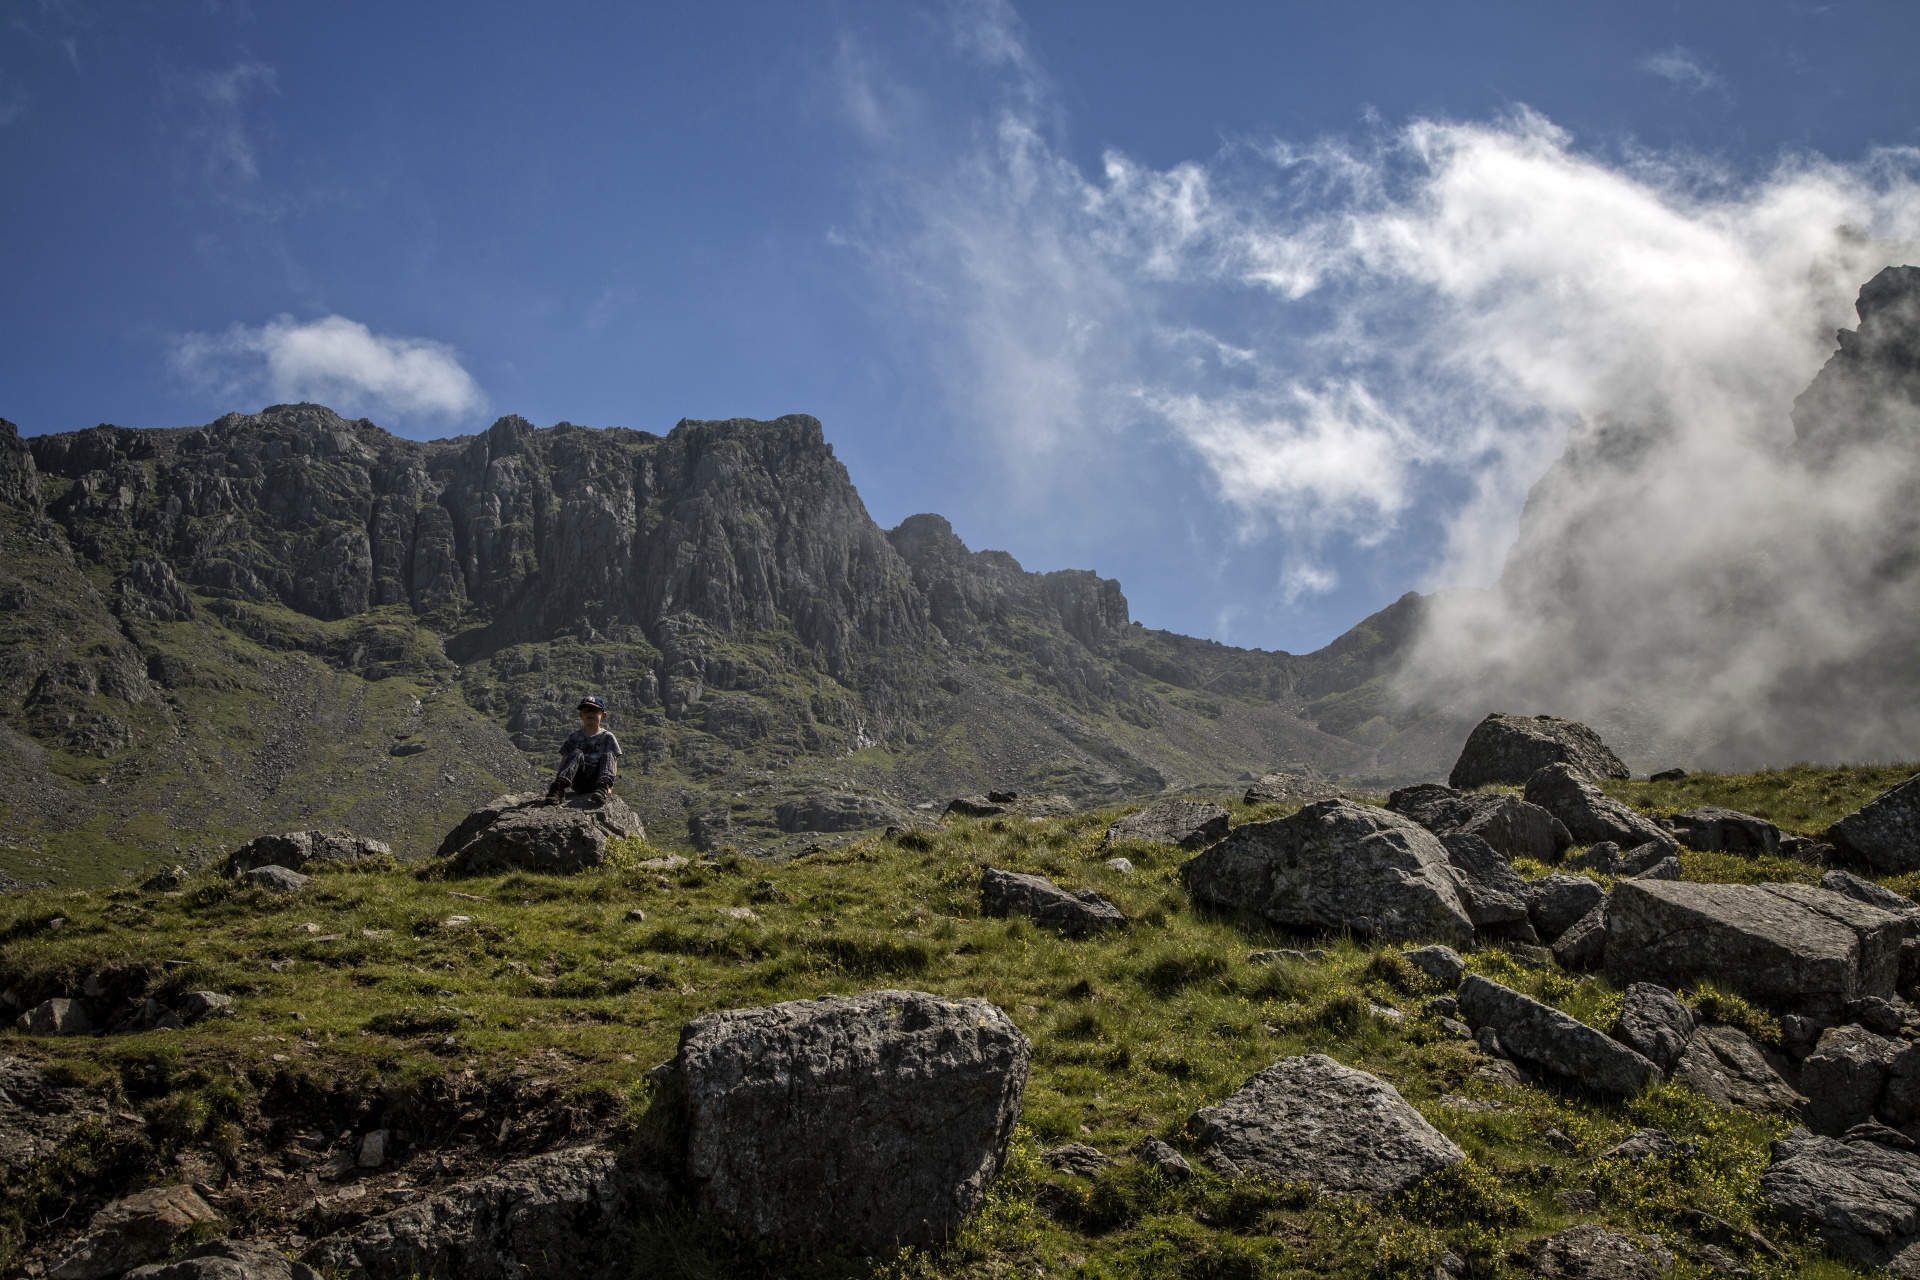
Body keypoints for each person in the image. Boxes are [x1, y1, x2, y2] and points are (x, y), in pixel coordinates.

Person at [545, 696, 621, 805]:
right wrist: (559, 777)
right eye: (586, 711)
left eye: (594, 711)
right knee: (577, 753)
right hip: (579, 779)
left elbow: (613, 762)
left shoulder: (608, 737)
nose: (590, 714)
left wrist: (611, 787)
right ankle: (558, 788)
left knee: (609, 754)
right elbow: (565, 760)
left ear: (603, 715)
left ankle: (603, 788)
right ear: (581, 715)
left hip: (598, 779)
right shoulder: (573, 737)